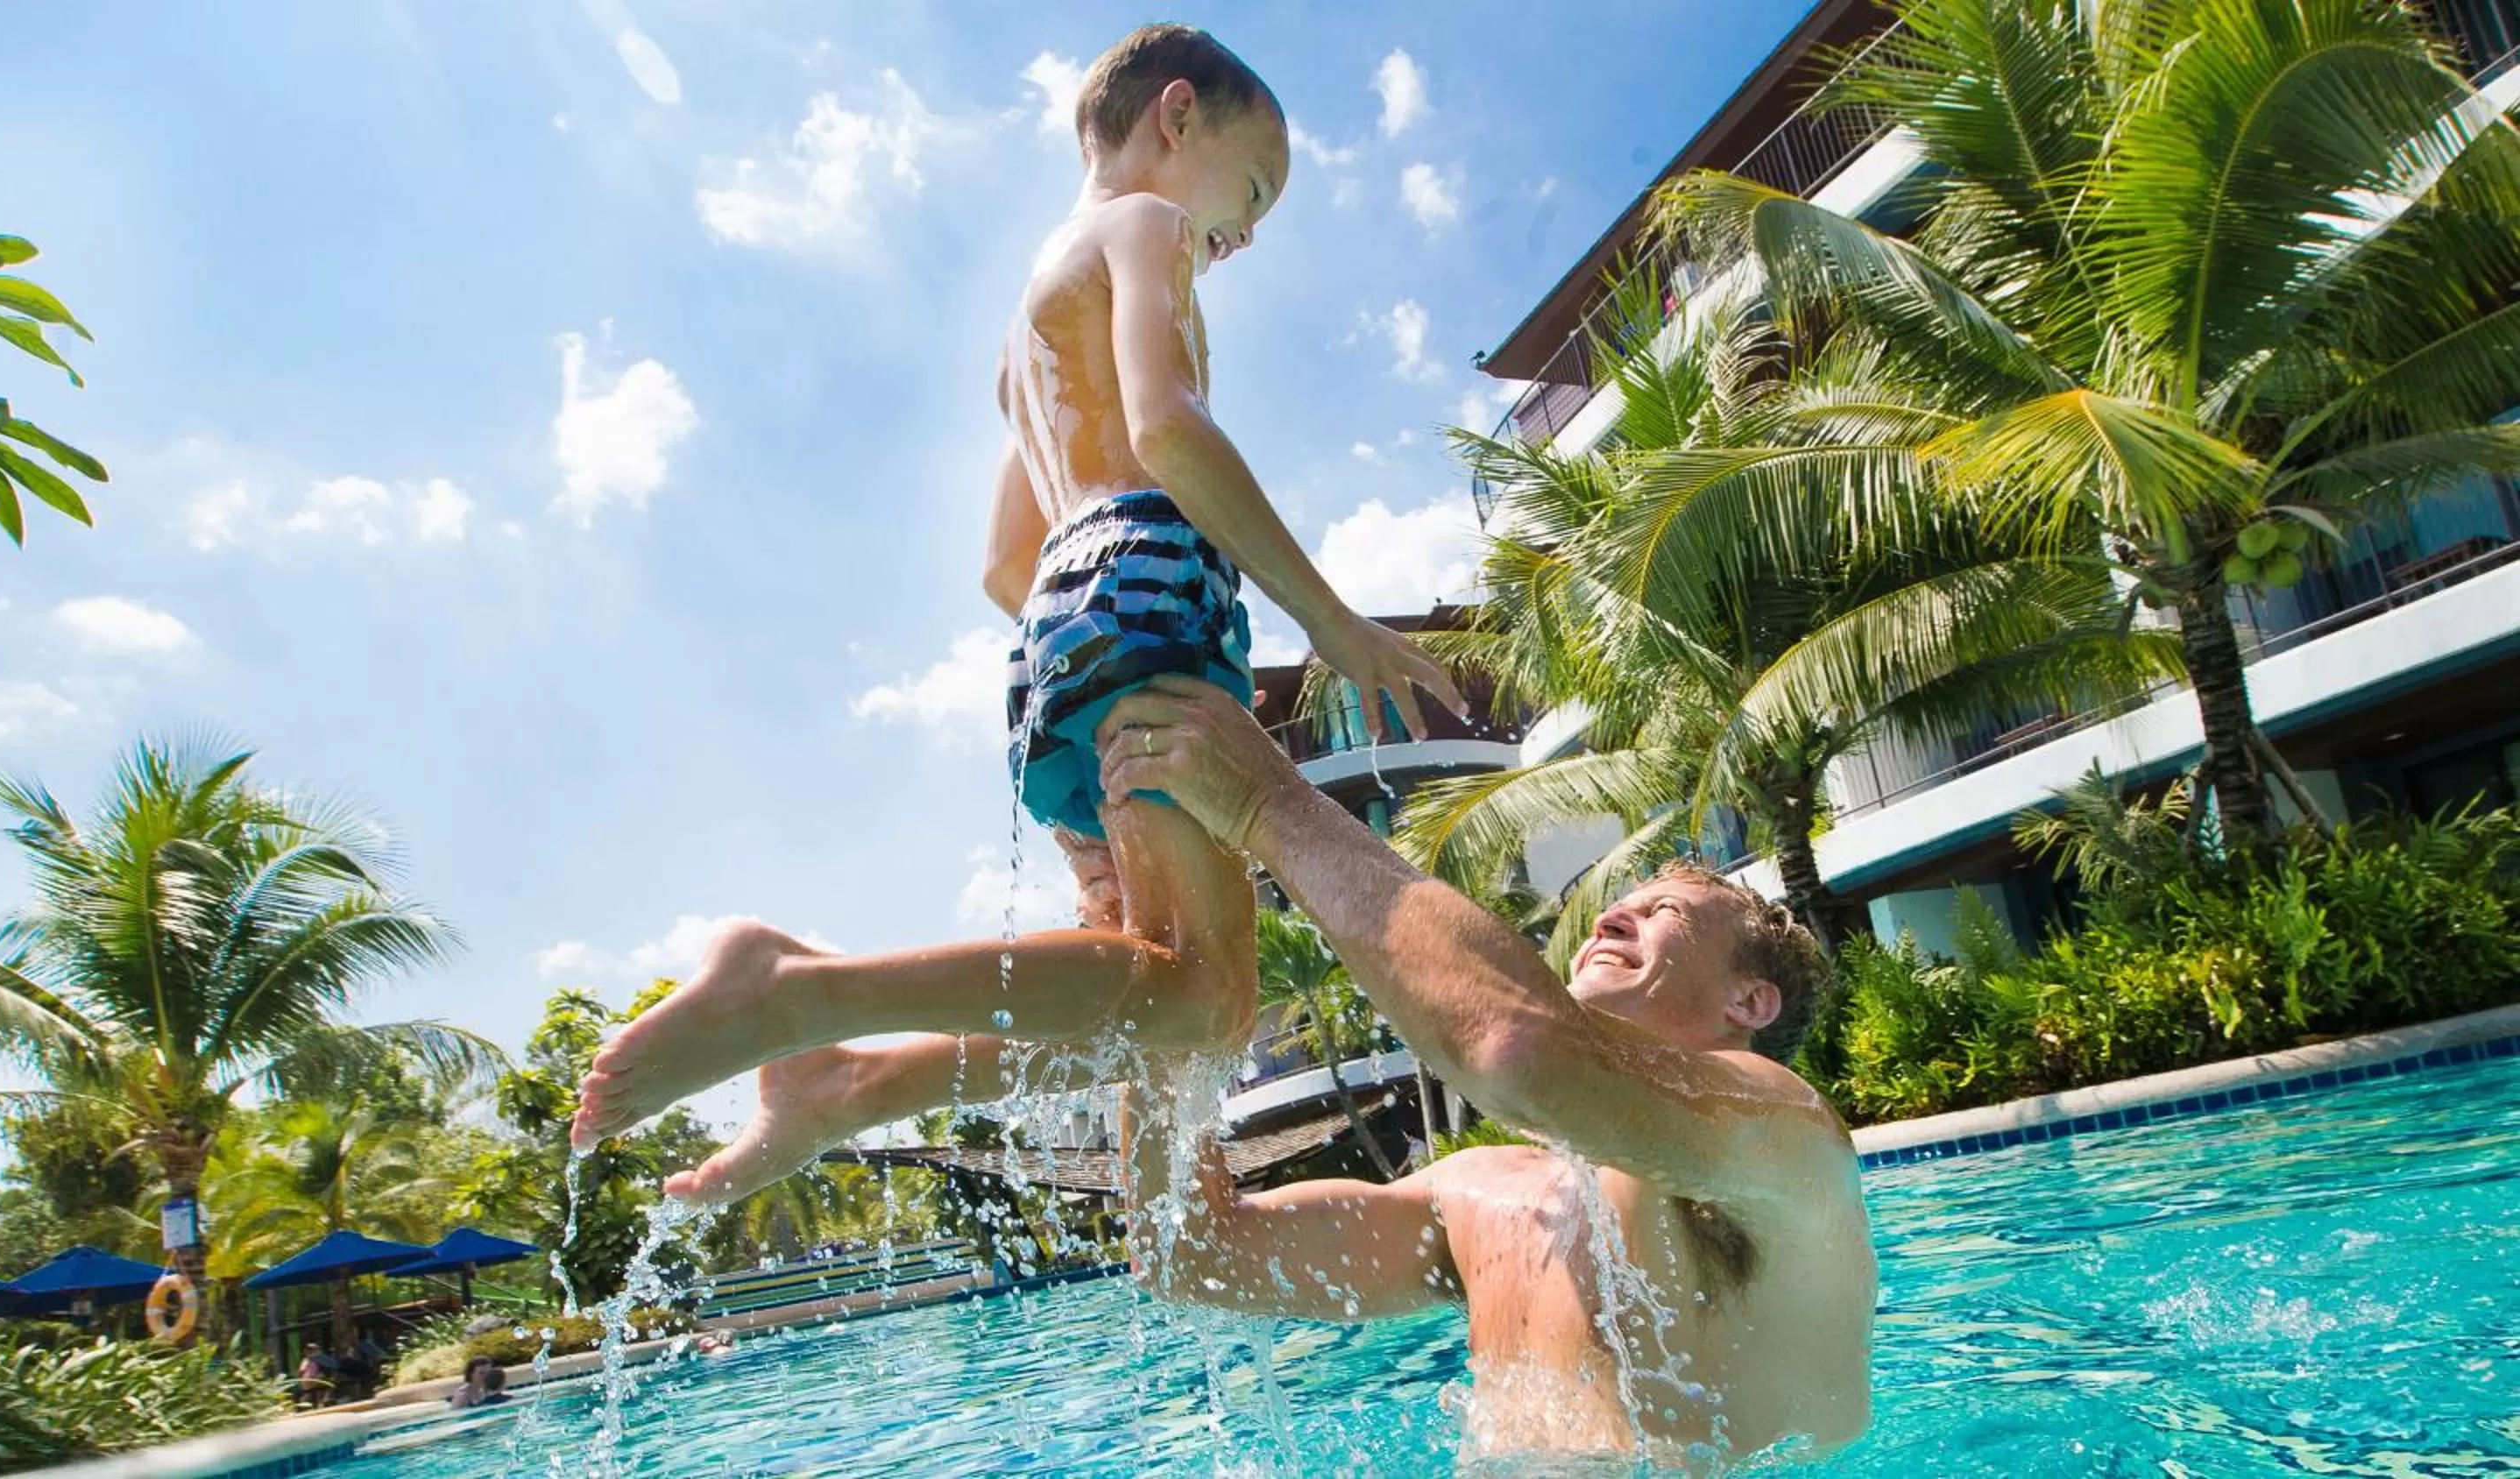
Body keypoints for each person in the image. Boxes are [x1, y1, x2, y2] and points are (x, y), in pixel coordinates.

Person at [565, 22, 1455, 1158]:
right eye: (1255, 186)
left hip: (1060, 633)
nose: (1244, 232)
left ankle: (850, 1085)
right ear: (1175, 115)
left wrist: (1092, 654)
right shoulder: (1147, 225)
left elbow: (1001, 564)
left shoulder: (1024, 337)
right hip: (1145, 585)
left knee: (1151, 1003)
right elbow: (1168, 430)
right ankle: (798, 994)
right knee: (1205, 1001)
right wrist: (1329, 620)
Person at [627, 681, 1878, 1465]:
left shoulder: (1780, 1143)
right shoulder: (1486, 1198)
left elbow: (1522, 1050)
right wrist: (1157, 1017)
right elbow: (1195, 1256)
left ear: (1749, 1002)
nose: (1615, 916)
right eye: (1618, 903)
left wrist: (1272, 804)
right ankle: (854, 1078)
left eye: (1664, 912)